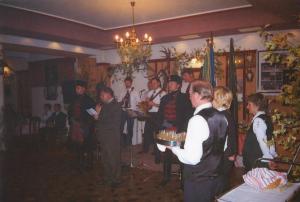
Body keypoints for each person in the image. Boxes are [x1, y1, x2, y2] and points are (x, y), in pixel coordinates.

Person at [161, 80, 228, 202]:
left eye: (190, 93)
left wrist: (172, 146)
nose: (189, 96)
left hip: (199, 180)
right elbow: (221, 147)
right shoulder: (222, 116)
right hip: (217, 177)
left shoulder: (197, 119)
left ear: (197, 95)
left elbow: (192, 158)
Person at [157, 75, 191, 185]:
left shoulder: (185, 98)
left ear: (178, 85)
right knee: (167, 155)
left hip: (179, 130)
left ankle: (183, 181)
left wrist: (182, 130)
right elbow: (160, 115)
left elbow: (187, 116)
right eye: (169, 83)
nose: (169, 85)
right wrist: (160, 126)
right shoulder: (164, 98)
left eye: (172, 83)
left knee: (181, 155)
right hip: (167, 129)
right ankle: (166, 178)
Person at [94, 86, 122, 187]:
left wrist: (98, 115)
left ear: (108, 94)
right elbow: (101, 120)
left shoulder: (116, 105)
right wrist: (97, 116)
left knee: (113, 158)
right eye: (100, 95)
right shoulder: (104, 105)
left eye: (102, 95)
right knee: (105, 158)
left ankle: (116, 179)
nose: (101, 97)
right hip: (103, 136)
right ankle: (108, 177)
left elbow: (114, 123)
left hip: (112, 136)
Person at [243, 93, 277, 172]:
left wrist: (267, 158)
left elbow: (263, 140)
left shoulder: (258, 121)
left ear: (257, 106)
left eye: (249, 104)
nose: (247, 107)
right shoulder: (266, 118)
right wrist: (272, 152)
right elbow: (270, 138)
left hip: (256, 159)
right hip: (259, 158)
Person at [212, 86, 237, 192]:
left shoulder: (221, 115)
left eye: (212, 98)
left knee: (221, 182)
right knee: (222, 180)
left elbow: (231, 135)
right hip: (225, 153)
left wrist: (231, 153)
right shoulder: (225, 114)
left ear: (219, 99)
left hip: (224, 154)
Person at [68, 80, 95, 171]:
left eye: (78, 88)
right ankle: (79, 162)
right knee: (77, 145)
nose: (76, 90)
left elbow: (93, 115)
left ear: (83, 89)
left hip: (85, 126)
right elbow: (70, 111)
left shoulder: (89, 100)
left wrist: (85, 125)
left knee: (87, 146)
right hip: (75, 125)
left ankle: (89, 164)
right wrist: (71, 119)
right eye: (76, 88)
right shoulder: (74, 99)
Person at [140, 77, 166, 153]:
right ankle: (145, 149)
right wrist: (146, 103)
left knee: (157, 133)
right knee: (147, 131)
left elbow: (163, 106)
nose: (153, 84)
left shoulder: (163, 93)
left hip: (158, 114)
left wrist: (153, 104)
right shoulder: (150, 92)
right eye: (152, 83)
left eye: (154, 83)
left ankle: (156, 151)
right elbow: (146, 103)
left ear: (158, 83)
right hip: (149, 113)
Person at [119, 77, 140, 146]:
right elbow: (119, 101)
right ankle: (121, 143)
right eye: (126, 83)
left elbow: (139, 102)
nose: (126, 84)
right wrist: (122, 101)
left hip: (131, 111)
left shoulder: (135, 92)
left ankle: (129, 143)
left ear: (131, 83)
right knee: (120, 127)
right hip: (123, 111)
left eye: (128, 83)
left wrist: (136, 111)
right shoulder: (122, 91)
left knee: (130, 128)